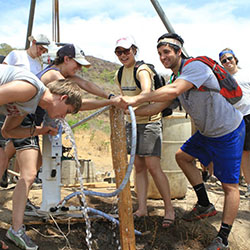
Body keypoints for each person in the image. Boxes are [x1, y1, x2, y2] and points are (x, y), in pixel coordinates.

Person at [116, 33, 245, 250]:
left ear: (179, 51)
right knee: (182, 157)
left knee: (229, 186)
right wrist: (128, 113)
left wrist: (136, 99)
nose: (163, 57)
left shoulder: (196, 67)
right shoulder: (175, 78)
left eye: (167, 52)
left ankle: (222, 238)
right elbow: (157, 106)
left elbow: (174, 91)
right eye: (159, 53)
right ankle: (204, 204)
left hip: (227, 131)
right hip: (206, 133)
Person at [3, 44, 116, 250]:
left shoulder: (34, 99)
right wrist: (109, 103)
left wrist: (41, 130)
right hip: (25, 113)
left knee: (24, 162)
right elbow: (81, 100)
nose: (64, 117)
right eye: (67, 111)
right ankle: (16, 228)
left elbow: (7, 132)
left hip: (25, 119)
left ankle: (17, 213)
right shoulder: (38, 86)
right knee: (28, 172)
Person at [114, 36, 175, 227]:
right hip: (132, 123)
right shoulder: (119, 73)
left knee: (153, 165)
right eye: (119, 52)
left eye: (126, 51)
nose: (123, 55)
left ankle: (169, 210)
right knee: (138, 165)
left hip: (149, 122)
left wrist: (132, 107)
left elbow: (146, 93)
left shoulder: (142, 70)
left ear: (134, 50)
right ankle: (142, 208)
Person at [1, 33, 51, 187]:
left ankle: (15, 178)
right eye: (40, 48)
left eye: (44, 51)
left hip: (24, 105)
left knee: (12, 139)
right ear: (33, 43)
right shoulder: (17, 55)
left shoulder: (39, 66)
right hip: (8, 98)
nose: (41, 52)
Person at [219, 48, 250, 197]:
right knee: (244, 153)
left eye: (229, 58)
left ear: (235, 59)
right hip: (238, 118)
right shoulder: (224, 81)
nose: (227, 62)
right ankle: (249, 185)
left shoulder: (246, 73)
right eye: (223, 61)